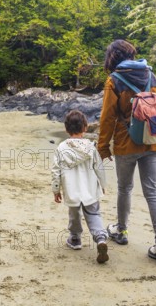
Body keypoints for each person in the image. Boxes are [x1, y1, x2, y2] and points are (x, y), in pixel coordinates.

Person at [97, 39, 156, 265]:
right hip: (153, 140)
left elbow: (107, 117)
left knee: (124, 188)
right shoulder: (152, 76)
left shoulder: (114, 80)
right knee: (152, 191)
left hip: (126, 142)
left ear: (112, 57)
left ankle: (121, 231)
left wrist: (102, 146)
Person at [51, 110, 109, 264]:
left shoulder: (61, 148)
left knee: (74, 214)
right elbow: (99, 168)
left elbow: (55, 171)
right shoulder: (91, 147)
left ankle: (75, 239)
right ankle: (101, 238)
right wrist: (102, 185)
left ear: (66, 129)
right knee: (94, 214)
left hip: (72, 190)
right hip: (90, 189)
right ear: (85, 127)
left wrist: (56, 189)